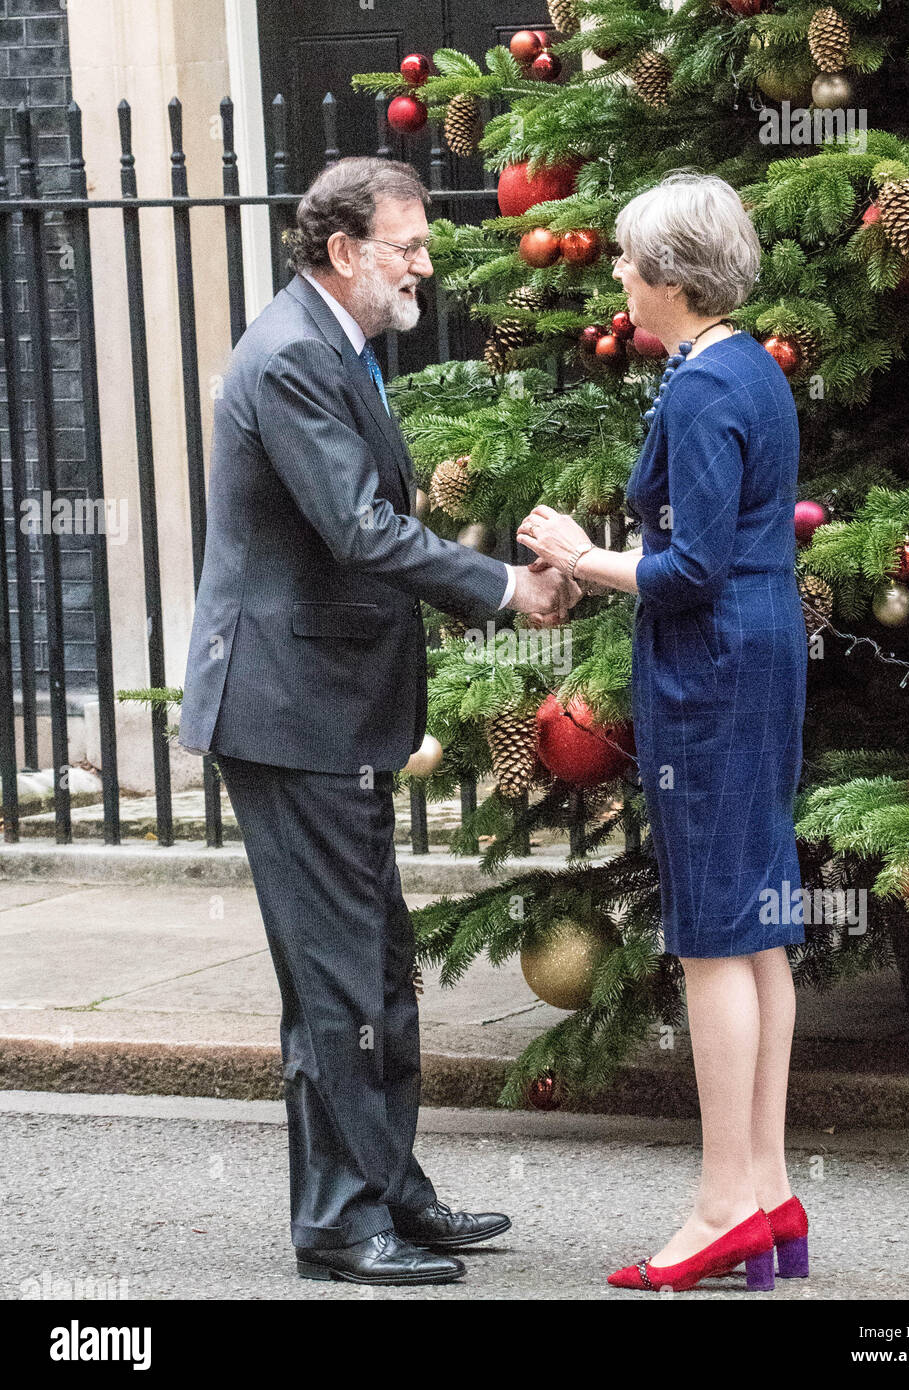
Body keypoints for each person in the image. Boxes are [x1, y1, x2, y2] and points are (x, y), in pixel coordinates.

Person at [179, 156, 578, 1287]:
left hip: (321, 709)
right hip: (286, 712)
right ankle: (342, 1223)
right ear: (344, 249)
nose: (425, 264)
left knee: (372, 963)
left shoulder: (333, 342)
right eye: (407, 245)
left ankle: (390, 1191)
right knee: (339, 981)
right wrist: (505, 588)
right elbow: (359, 529)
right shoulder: (298, 354)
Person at [517, 171, 810, 1294]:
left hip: (711, 669)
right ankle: (769, 1192)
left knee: (710, 932)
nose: (619, 278)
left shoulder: (698, 387)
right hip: (760, 650)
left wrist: (579, 556)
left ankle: (724, 1203)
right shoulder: (747, 367)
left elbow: (688, 571)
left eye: (632, 264)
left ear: (676, 281)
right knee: (758, 919)